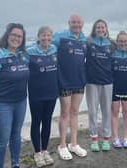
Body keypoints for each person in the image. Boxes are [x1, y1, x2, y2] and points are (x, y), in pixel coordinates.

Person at [0, 23, 29, 168]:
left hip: (21, 102)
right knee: (3, 139)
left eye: (19, 36)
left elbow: (42, 46)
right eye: (14, 35)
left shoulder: (23, 55)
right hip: (3, 105)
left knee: (16, 135)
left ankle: (15, 163)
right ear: (7, 36)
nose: (16, 38)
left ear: (23, 39)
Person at [52, 14, 87, 160]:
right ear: (69, 23)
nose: (76, 25)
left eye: (78, 22)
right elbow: (45, 46)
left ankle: (73, 143)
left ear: (82, 24)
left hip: (79, 81)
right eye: (73, 22)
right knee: (65, 112)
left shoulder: (85, 39)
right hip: (64, 81)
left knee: (75, 112)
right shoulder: (60, 37)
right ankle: (62, 145)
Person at [26, 26, 58, 167]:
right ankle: (37, 153)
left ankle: (45, 150)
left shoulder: (54, 50)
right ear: (38, 37)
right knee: (36, 122)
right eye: (43, 36)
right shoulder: (29, 52)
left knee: (47, 122)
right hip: (36, 94)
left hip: (52, 93)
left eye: (49, 36)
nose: (46, 38)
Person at [86, 19, 114, 152]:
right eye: (98, 28)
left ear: (106, 29)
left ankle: (106, 139)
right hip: (92, 82)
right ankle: (94, 139)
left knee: (107, 112)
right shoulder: (89, 42)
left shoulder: (112, 44)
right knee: (92, 111)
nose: (101, 30)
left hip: (108, 82)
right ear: (94, 29)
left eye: (103, 27)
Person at [111, 31, 127, 148]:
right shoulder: (113, 54)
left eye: (125, 41)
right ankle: (116, 138)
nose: (123, 43)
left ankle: (126, 138)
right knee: (115, 113)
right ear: (117, 42)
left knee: (126, 113)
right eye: (121, 41)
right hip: (115, 88)